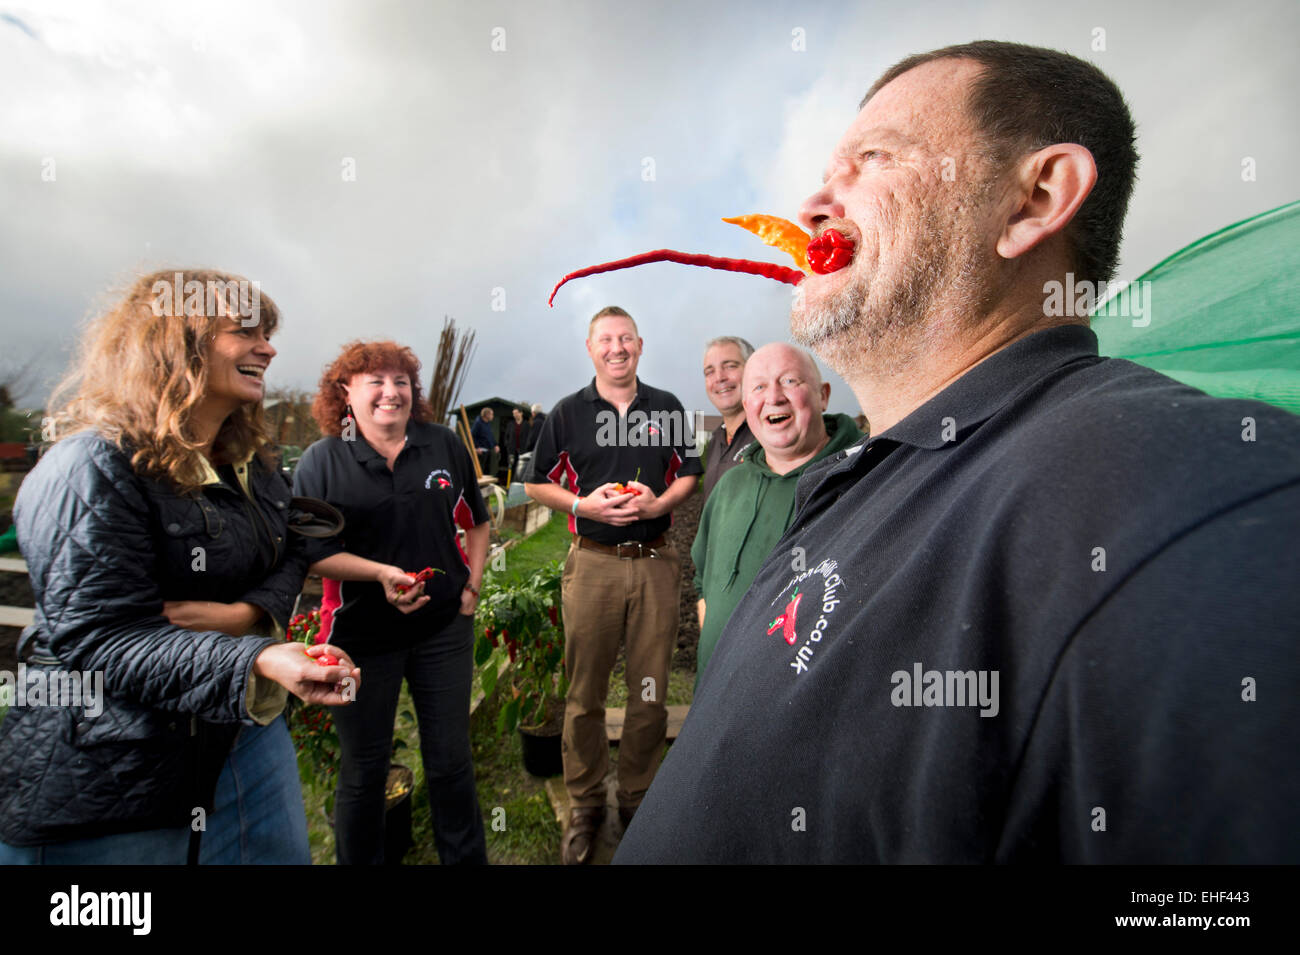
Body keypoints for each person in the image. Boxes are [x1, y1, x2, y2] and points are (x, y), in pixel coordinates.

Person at [616, 41, 1300, 863]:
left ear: (1034, 200)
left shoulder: (1182, 489)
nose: (813, 200)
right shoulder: (865, 470)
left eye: (872, 159)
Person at [0, 269, 358, 864]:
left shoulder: (253, 465)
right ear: (176, 338)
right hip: (116, 763)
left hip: (240, 736)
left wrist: (243, 615)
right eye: (245, 330)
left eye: (268, 333)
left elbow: (293, 547)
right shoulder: (89, 468)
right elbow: (101, 638)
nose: (268, 347)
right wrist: (261, 654)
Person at [292, 340, 490, 865]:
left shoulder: (442, 444)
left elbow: (479, 519)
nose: (390, 391)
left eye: (400, 381)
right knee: (364, 768)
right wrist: (379, 574)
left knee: (450, 760)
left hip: (443, 630)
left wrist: (470, 586)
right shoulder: (324, 459)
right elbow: (311, 552)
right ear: (346, 393)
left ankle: (465, 859)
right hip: (361, 639)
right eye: (375, 381)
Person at [524, 306, 701, 864]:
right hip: (593, 561)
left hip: (655, 560)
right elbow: (533, 484)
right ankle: (585, 804)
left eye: (626, 338)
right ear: (591, 347)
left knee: (650, 690)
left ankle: (635, 797)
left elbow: (689, 472)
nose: (617, 347)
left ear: (640, 346)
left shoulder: (666, 406)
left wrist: (661, 500)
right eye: (606, 339)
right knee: (585, 694)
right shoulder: (567, 413)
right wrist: (580, 503)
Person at [692, 344, 860, 691]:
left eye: (789, 381)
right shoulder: (730, 485)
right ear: (747, 404)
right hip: (717, 696)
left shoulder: (861, 482)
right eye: (758, 387)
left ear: (823, 395)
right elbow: (703, 584)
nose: (774, 397)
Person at [699, 336, 756, 501]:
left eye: (730, 366)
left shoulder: (770, 434)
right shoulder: (716, 439)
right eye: (709, 372)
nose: (719, 378)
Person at [502, 406, 528, 483]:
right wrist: (507, 445)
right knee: (511, 468)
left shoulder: (526, 424)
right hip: (512, 451)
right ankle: (509, 485)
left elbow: (529, 437)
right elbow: (506, 436)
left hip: (522, 451)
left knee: (521, 468)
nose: (515, 415)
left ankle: (519, 484)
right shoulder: (511, 424)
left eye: (516, 413)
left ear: (521, 413)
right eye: (514, 414)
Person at [470, 406, 498, 478]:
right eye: (492, 414)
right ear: (487, 415)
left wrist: (495, 445)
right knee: (479, 471)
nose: (492, 416)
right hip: (480, 452)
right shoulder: (478, 423)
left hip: (487, 451)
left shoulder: (487, 423)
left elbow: (490, 436)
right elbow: (472, 436)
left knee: (486, 472)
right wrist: (476, 448)